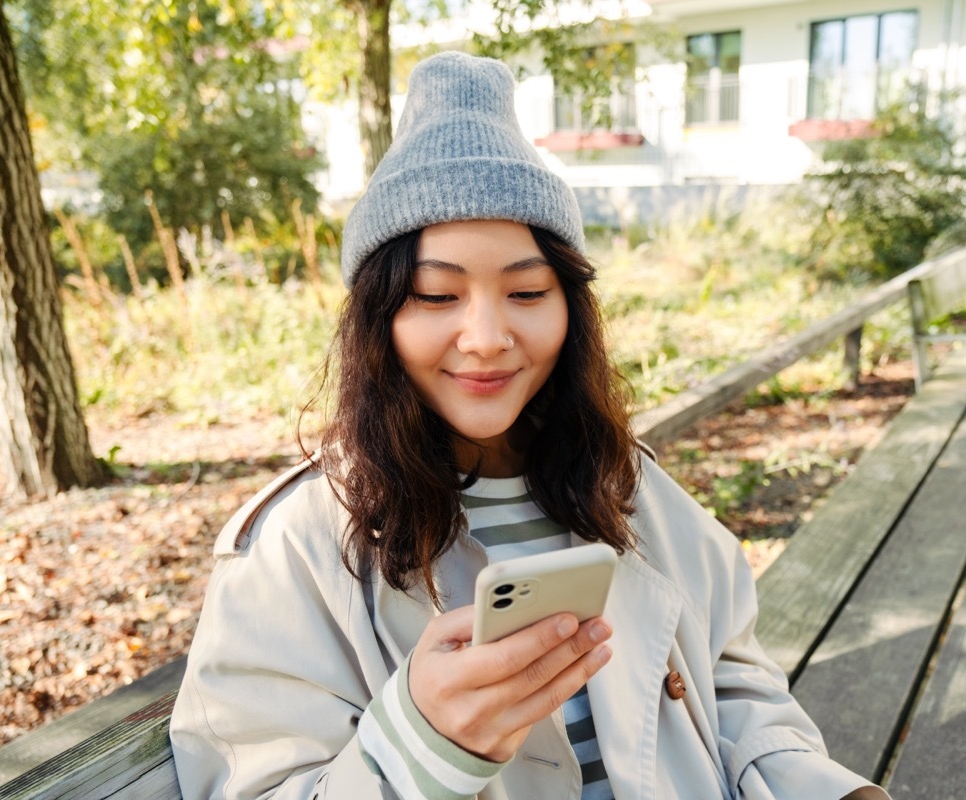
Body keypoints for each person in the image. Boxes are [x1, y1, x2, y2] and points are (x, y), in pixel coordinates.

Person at [169, 50, 891, 800]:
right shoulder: (298, 547)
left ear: (569, 307)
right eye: (437, 297)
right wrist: (421, 743)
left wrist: (826, 788)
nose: (485, 337)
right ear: (377, 321)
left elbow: (734, 686)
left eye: (526, 291)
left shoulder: (628, 486)